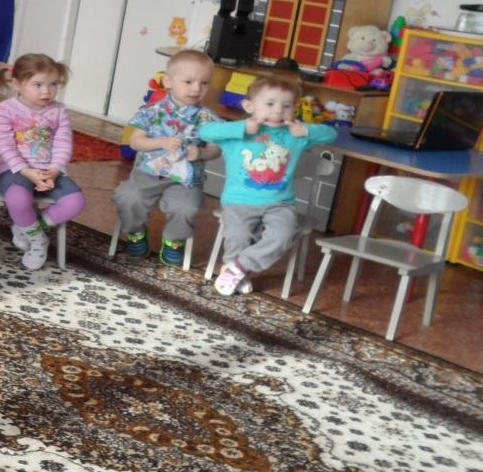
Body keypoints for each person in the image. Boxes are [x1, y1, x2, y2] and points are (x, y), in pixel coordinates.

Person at [198, 74, 337, 296]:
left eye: (286, 106)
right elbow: (205, 132)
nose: (278, 111)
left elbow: (331, 134)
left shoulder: (295, 135)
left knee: (285, 233)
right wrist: (243, 127)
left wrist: (306, 130)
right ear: (249, 106)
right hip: (239, 201)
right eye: (270, 104)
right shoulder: (238, 132)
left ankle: (238, 268)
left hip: (280, 203)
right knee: (239, 237)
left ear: (295, 108)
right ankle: (237, 273)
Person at [112, 49, 223, 266]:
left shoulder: (208, 118)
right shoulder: (152, 111)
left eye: (204, 83)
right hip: (146, 175)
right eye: (188, 82)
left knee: (187, 207)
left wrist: (201, 153)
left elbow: (215, 149)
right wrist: (161, 142)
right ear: (168, 81)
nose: (196, 89)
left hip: (184, 181)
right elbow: (135, 142)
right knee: (127, 197)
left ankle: (174, 240)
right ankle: (135, 233)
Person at [0, 53, 86, 270]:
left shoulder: (58, 110)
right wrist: (27, 171)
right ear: (17, 84)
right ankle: (38, 241)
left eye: (53, 84)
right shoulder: (4, 110)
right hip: (15, 171)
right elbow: (4, 145)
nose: (47, 91)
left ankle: (27, 227)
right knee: (17, 199)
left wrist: (55, 170)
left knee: (76, 201)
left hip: (50, 170)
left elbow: (63, 143)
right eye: (38, 85)